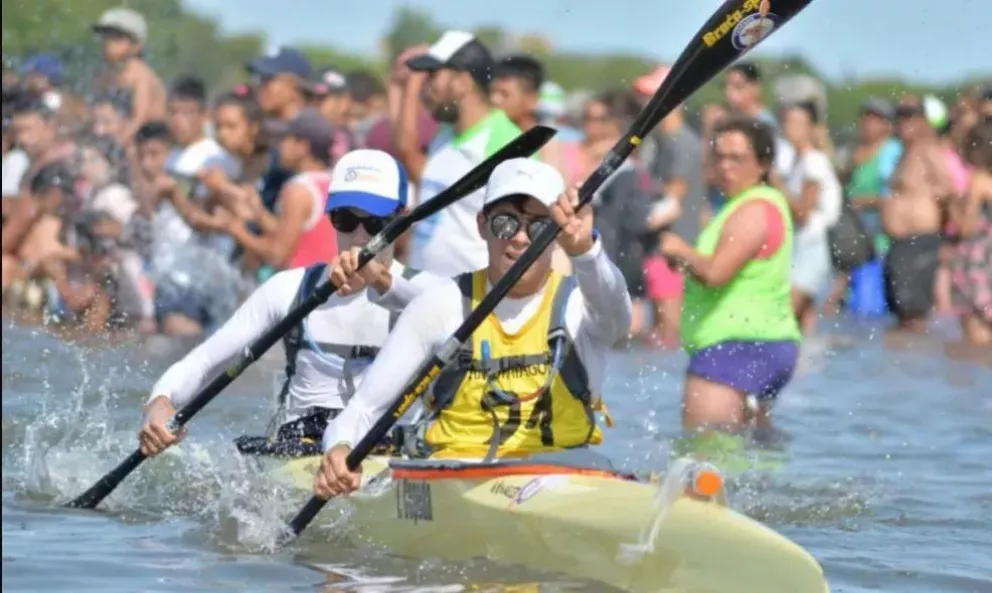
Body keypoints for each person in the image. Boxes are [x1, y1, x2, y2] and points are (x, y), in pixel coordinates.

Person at [313, 158, 633, 499]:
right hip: (456, 481)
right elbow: (362, 410)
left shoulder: (581, 306)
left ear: (558, 234)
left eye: (540, 227)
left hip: (567, 477)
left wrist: (585, 251)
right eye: (506, 224)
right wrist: (340, 449)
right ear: (482, 225)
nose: (521, 239)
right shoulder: (440, 306)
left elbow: (619, 316)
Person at [138, 149, 438, 458]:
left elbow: (462, 332)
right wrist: (160, 401)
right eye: (345, 219)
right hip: (298, 454)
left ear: (403, 220)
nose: (359, 236)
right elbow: (202, 362)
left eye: (375, 223)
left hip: (388, 455)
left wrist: (381, 282)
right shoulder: (289, 289)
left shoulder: (431, 293)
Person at [660, 117, 801, 432]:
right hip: (763, 345)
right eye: (719, 156)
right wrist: (685, 261)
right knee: (752, 462)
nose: (725, 166)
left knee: (703, 453)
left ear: (763, 164)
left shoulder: (754, 208)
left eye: (737, 158)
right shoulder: (745, 205)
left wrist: (678, 249)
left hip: (734, 347)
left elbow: (715, 273)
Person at [398, 31, 523, 276]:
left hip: (472, 301)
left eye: (433, 75)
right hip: (424, 293)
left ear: (463, 81)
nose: (427, 86)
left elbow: (521, 232)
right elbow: (412, 159)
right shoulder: (446, 133)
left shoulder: (506, 142)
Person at [883, 97, 955, 332]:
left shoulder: (928, 149)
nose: (904, 123)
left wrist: (922, 196)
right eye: (901, 117)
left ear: (924, 121)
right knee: (901, 315)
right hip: (900, 243)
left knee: (914, 316)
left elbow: (949, 189)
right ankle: (906, 368)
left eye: (911, 116)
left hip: (920, 241)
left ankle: (918, 366)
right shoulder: (903, 153)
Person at [778, 101, 842, 332]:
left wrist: (776, 183)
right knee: (803, 321)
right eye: (786, 121)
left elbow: (802, 213)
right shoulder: (796, 161)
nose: (789, 127)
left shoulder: (813, 161)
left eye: (796, 122)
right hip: (800, 245)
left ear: (811, 128)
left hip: (813, 246)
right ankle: (810, 366)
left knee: (782, 316)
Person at [92, 7, 167, 142]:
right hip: (118, 137)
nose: (109, 43)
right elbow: (95, 111)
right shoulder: (104, 74)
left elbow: (139, 119)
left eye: (117, 38)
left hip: (148, 141)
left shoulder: (140, 75)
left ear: (136, 46)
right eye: (106, 37)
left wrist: (116, 144)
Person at [947, 120, 992, 346]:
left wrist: (953, 206)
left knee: (976, 344)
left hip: (977, 263)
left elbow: (966, 228)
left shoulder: (979, 180)